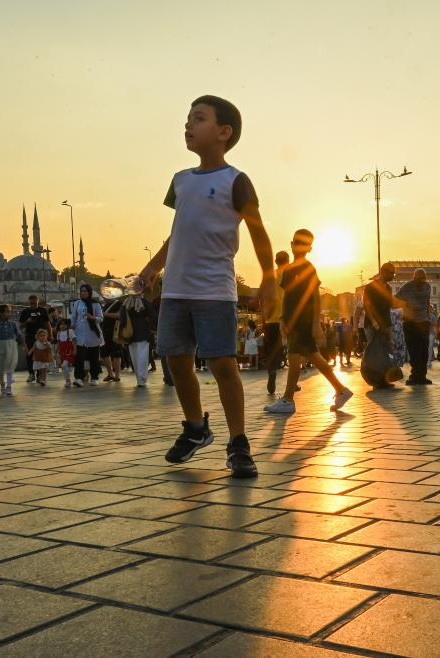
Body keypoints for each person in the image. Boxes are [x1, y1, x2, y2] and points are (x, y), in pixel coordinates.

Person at [138, 95, 275, 476]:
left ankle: (238, 442)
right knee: (176, 360)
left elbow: (259, 231)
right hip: (176, 290)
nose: (188, 125)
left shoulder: (236, 180)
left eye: (198, 119)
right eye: (187, 119)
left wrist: (269, 277)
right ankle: (196, 428)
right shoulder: (180, 181)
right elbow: (176, 233)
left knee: (222, 364)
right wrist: (151, 269)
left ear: (223, 132)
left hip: (215, 290)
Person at [264, 229, 352, 415]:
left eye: (303, 243)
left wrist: (315, 324)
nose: (298, 246)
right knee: (313, 356)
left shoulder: (307, 268)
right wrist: (282, 318)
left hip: (303, 321)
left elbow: (315, 296)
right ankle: (341, 390)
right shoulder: (289, 269)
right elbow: (287, 297)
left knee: (295, 357)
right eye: (296, 241)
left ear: (309, 248)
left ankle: (288, 399)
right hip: (292, 320)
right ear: (291, 243)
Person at [396, 268, 433, 385]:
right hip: (410, 323)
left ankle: (422, 376)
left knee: (424, 351)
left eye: (423, 278)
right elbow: (396, 299)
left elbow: (427, 302)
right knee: (413, 351)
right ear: (414, 278)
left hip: (423, 323)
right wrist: (406, 309)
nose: (421, 281)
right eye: (419, 278)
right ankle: (414, 376)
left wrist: (427, 316)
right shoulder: (406, 287)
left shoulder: (428, 287)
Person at [264, 250, 290, 394]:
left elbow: (266, 296)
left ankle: (272, 371)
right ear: (288, 260)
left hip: (270, 319)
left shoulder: (271, 275)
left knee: (271, 351)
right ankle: (291, 382)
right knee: (291, 350)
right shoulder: (290, 273)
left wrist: (265, 315)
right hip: (286, 317)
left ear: (275, 261)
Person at [121, 294, 159, 387]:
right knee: (142, 356)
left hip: (130, 334)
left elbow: (121, 318)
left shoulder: (126, 302)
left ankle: (139, 378)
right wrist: (154, 327)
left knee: (134, 357)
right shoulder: (144, 302)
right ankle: (141, 379)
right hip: (143, 332)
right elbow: (154, 316)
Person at [71, 284, 104, 387]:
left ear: (89, 292)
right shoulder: (77, 303)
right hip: (80, 333)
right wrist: (71, 327)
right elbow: (74, 317)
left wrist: (92, 318)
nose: (83, 293)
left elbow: (101, 318)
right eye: (82, 291)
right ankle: (79, 378)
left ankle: (94, 377)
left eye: (85, 291)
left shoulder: (96, 304)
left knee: (93, 357)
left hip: (92, 334)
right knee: (80, 357)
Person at [0, 304, 23, 396]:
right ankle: (2, 385)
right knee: (1, 367)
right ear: (1, 313)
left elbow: (19, 335)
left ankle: (9, 387)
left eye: (10, 312)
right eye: (7, 312)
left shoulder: (13, 324)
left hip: (11, 346)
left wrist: (23, 344)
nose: (9, 314)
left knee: (10, 366)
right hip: (0, 346)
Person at [19, 295, 51, 383]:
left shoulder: (42, 310)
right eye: (31, 303)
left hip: (42, 337)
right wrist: (27, 321)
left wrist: (50, 334)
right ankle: (31, 374)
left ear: (38, 302)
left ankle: (39, 375)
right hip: (30, 336)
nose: (33, 305)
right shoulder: (25, 311)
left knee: (41, 355)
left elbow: (47, 323)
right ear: (28, 303)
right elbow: (20, 325)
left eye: (34, 303)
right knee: (29, 355)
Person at [101, 298, 124, 382]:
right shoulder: (103, 305)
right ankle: (110, 374)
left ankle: (117, 375)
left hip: (115, 332)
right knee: (104, 353)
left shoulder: (119, 303)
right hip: (104, 332)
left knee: (116, 354)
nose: (105, 297)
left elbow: (119, 315)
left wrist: (105, 314)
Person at [55, 318, 76, 388]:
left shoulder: (70, 331)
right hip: (62, 352)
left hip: (69, 352)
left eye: (64, 324)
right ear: (59, 325)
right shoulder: (58, 333)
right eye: (61, 324)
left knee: (64, 365)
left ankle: (68, 380)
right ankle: (67, 379)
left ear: (67, 325)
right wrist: (56, 352)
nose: (63, 326)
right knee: (63, 367)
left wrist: (75, 350)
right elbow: (58, 343)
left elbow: (74, 341)